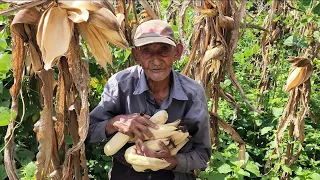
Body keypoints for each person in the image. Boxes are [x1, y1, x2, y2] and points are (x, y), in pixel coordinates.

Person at [87, 19, 212, 180]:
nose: (156, 60)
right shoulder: (120, 85)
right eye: (147, 51)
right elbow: (87, 132)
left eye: (163, 50)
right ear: (136, 55)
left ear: (177, 52)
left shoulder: (193, 93)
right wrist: (114, 123)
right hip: (126, 173)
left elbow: (202, 154)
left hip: (174, 175)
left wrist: (172, 161)